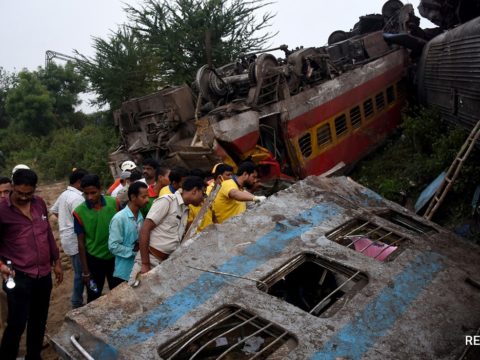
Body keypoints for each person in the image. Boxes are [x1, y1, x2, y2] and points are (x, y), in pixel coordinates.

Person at [0, 169, 63, 360]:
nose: (25, 197)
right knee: (17, 323)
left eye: (29, 193)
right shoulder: (2, 210)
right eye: (20, 193)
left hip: (43, 275)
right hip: (18, 275)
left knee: (39, 320)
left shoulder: (39, 204)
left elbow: (47, 235)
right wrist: (1, 265)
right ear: (12, 186)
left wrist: (57, 261)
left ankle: (33, 356)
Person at [129, 176, 205, 284]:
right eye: (203, 193)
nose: (203, 198)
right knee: (134, 295)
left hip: (163, 264)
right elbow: (144, 229)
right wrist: (145, 264)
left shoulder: (185, 210)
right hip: (150, 260)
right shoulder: (167, 201)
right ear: (194, 191)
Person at [73, 174, 121, 303]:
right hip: (94, 259)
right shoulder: (79, 212)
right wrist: (85, 271)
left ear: (100, 189)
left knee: (119, 292)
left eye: (93, 193)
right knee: (94, 296)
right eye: (86, 194)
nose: (90, 197)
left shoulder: (114, 203)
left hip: (115, 256)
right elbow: (81, 243)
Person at [50, 168, 88, 308]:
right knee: (81, 271)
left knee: (79, 270)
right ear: (79, 182)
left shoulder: (65, 194)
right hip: (75, 238)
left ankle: (79, 299)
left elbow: (54, 210)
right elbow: (82, 220)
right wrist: (71, 224)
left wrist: (65, 223)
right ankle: (76, 301)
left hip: (67, 237)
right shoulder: (77, 198)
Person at [108, 182, 149, 282]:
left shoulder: (140, 216)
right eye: (144, 197)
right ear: (133, 197)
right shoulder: (119, 218)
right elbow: (113, 246)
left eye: (147, 196)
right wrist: (134, 252)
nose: (147, 200)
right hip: (124, 272)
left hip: (138, 268)